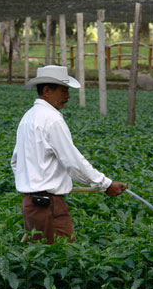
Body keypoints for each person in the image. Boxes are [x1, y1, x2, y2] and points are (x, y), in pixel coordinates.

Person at [11, 65, 127, 244]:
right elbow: (73, 162)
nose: (68, 96)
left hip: (33, 204)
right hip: (48, 206)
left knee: (41, 258)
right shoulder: (52, 119)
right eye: (64, 91)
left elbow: (16, 162)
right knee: (60, 258)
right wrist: (106, 184)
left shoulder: (28, 118)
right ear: (47, 91)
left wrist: (31, 183)